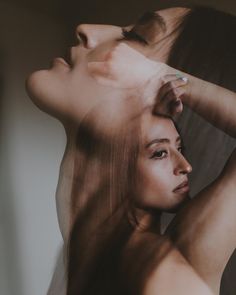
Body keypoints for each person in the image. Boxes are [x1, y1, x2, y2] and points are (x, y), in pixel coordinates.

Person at [26, 5, 236, 295]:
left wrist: (165, 77)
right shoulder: (81, 264)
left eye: (135, 37)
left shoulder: (164, 275)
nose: (86, 29)